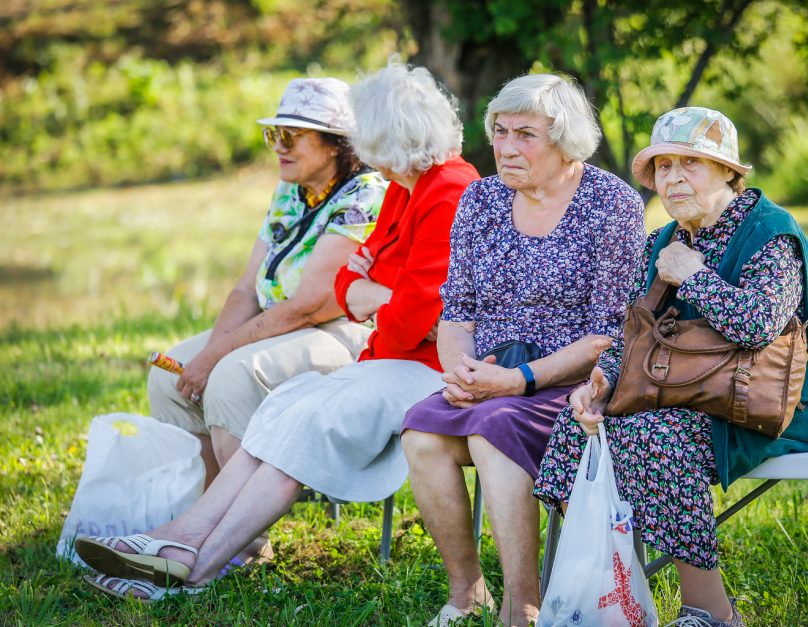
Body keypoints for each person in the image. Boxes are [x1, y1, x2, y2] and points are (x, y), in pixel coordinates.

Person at [75, 60, 480, 602]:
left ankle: (192, 568)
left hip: (418, 369)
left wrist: (373, 295)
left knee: (294, 424)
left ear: (385, 132)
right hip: (386, 359)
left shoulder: (448, 189)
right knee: (282, 412)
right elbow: (349, 282)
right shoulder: (409, 189)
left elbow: (404, 320)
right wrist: (375, 294)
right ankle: (181, 541)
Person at [534, 107, 808, 627]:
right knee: (574, 432)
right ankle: (603, 589)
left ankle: (709, 611)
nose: (675, 178)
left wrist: (695, 276)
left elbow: (757, 325)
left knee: (655, 435)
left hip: (775, 404)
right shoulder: (665, 239)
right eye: (664, 167)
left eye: (692, 163)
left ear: (728, 172)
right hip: (692, 392)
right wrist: (603, 382)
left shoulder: (771, 234)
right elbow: (637, 329)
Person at [400, 74, 646, 627]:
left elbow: (610, 333)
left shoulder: (613, 205)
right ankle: (467, 594)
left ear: (567, 141)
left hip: (574, 386)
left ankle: (522, 605)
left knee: (494, 431)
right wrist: (461, 370)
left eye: (525, 134)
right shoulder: (481, 199)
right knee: (421, 434)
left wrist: (518, 382)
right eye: (499, 132)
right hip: (491, 377)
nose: (507, 147)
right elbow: (456, 312)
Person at [148, 77, 387, 490]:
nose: (279, 146)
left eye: (292, 136)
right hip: (277, 323)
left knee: (229, 378)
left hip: (343, 332)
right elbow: (246, 288)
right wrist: (206, 355)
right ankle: (201, 515)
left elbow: (312, 304)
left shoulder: (364, 195)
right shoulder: (291, 190)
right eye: (273, 134)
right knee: (171, 379)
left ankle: (244, 543)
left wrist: (217, 359)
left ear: (336, 144)